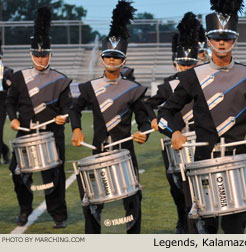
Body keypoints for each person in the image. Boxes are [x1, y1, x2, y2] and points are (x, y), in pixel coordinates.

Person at [158, 0, 246, 234]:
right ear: (208, 40)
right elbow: (165, 112)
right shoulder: (193, 76)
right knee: (203, 230)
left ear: (235, 40)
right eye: (216, 38)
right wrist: (173, 131)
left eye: (226, 38)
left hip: (237, 160)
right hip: (202, 160)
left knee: (235, 231)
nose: (221, 42)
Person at [70, 0, 151, 234]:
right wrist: (76, 129)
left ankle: (132, 239)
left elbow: (144, 117)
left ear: (124, 60)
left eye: (117, 57)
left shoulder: (133, 88)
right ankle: (92, 240)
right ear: (102, 58)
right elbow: (74, 109)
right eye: (109, 56)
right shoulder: (89, 87)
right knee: (93, 200)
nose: (112, 61)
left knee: (133, 199)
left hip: (126, 151)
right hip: (99, 149)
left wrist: (143, 133)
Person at [5, 6, 71, 228]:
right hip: (25, 134)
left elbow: (68, 106)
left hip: (52, 135)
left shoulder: (61, 79)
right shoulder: (18, 77)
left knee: (54, 176)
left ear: (50, 55)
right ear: (30, 54)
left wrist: (64, 117)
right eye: (37, 55)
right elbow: (10, 101)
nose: (41, 59)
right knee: (18, 174)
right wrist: (12, 118)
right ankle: (25, 210)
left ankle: (58, 215)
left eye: (44, 55)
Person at [144, 12, 202, 234]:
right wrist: (154, 121)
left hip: (199, 142)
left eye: (190, 64)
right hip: (175, 142)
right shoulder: (167, 86)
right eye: (182, 64)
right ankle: (181, 220)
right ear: (175, 64)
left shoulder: (203, 81)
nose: (186, 68)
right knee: (177, 188)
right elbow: (148, 104)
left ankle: (198, 225)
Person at [0, 39, 13, 164]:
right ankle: (4, 150)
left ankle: (4, 151)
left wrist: (5, 80)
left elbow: (9, 85)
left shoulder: (7, 71)